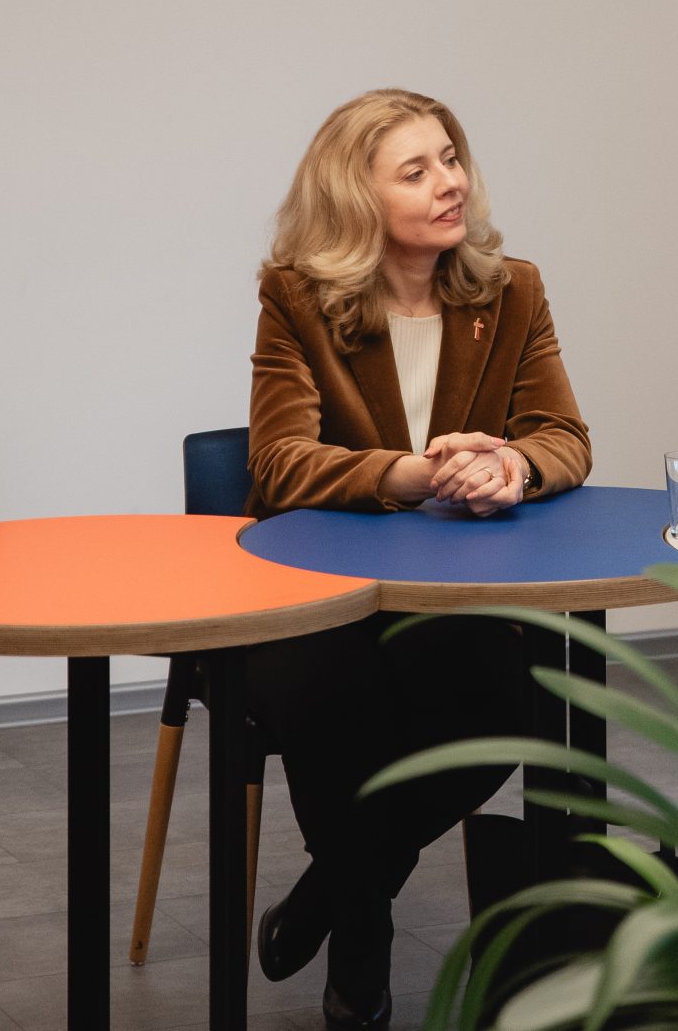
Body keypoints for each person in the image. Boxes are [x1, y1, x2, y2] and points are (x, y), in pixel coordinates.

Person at [243, 88, 592, 1031]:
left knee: (513, 697)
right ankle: (363, 938)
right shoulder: (296, 297)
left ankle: (334, 892)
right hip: (314, 591)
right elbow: (278, 461)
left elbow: (563, 434)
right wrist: (409, 471)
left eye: (451, 157)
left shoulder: (511, 290)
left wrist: (513, 465)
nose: (451, 182)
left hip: (448, 591)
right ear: (357, 199)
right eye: (417, 170)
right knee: (329, 695)